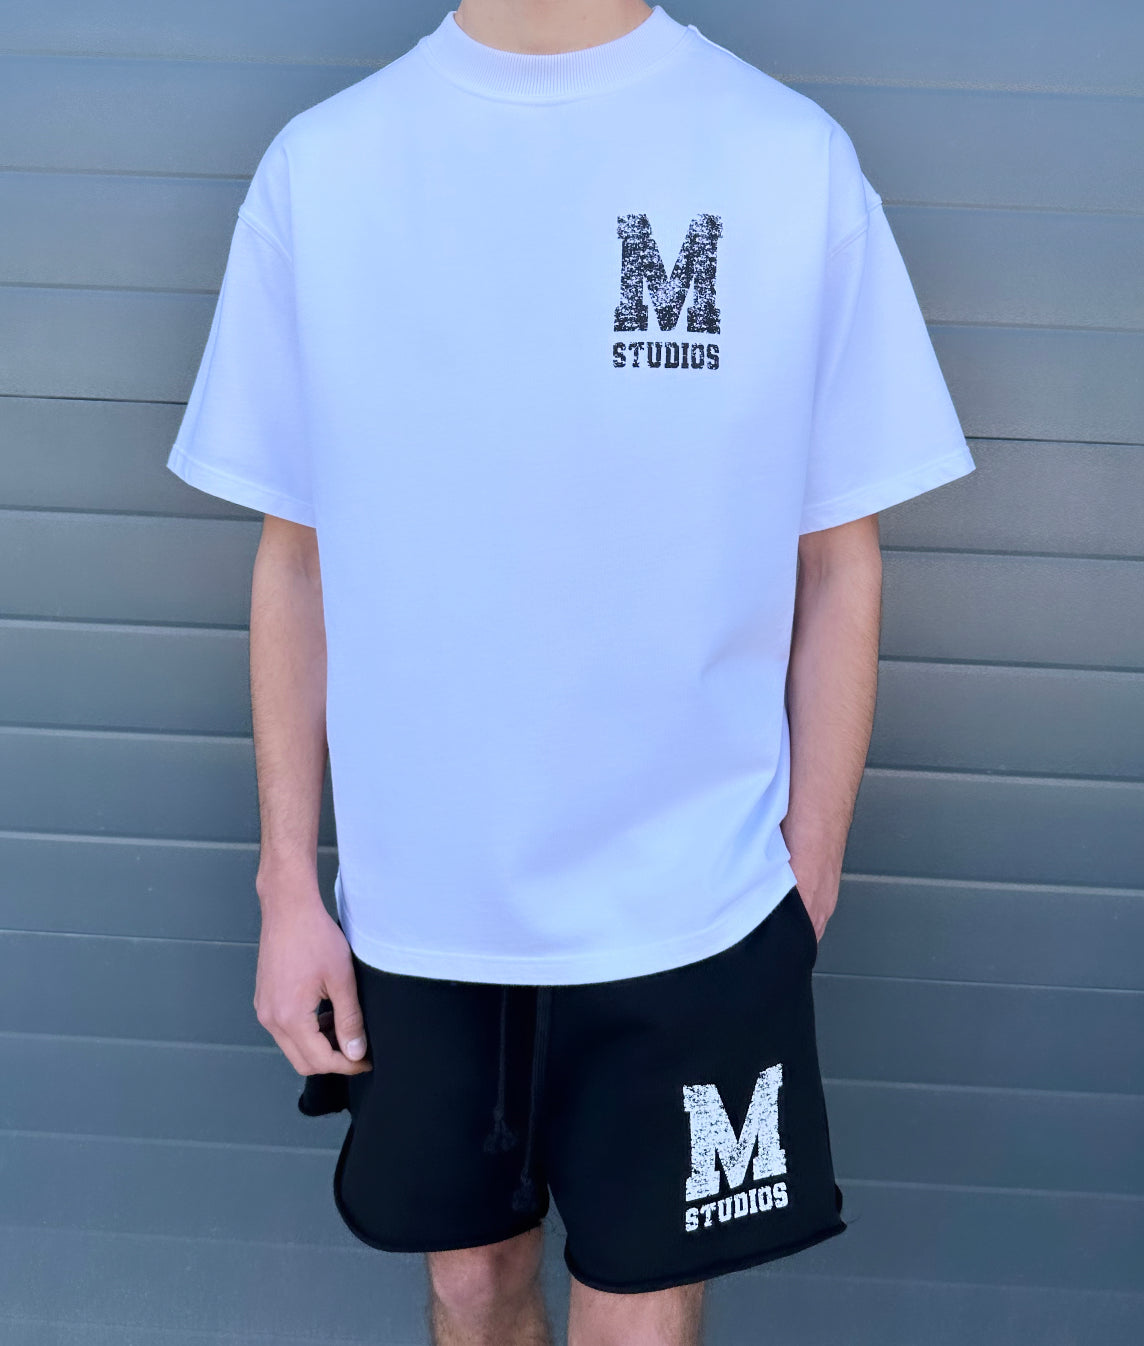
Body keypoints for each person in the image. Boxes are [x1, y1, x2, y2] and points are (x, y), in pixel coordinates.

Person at [165, 2, 975, 1341]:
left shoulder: (784, 157)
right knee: (469, 1282)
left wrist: (807, 875)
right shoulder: (328, 166)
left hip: (696, 904)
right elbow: (296, 559)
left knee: (640, 1312)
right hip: (420, 910)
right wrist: (286, 882)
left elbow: (839, 557)